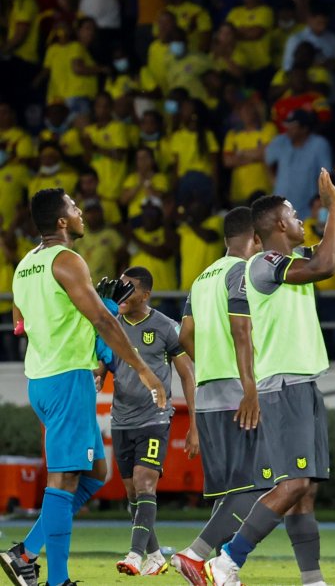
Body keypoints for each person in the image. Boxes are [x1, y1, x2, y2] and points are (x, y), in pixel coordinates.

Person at [205, 165, 335, 586]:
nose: (302, 220)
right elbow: (327, 267)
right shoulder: (262, 264)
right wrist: (333, 205)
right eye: (296, 215)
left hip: (302, 382)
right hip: (283, 385)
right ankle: (226, 559)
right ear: (279, 224)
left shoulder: (291, 260)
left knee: (305, 491)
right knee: (293, 482)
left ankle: (312, 580)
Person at [2, 188, 166, 586]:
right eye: (73, 207)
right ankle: (57, 581)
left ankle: (24, 551)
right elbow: (104, 323)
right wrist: (143, 369)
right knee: (65, 479)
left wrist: (93, 310)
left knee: (95, 472)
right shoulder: (68, 260)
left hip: (42, 377)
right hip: (68, 378)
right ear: (61, 221)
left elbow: (19, 324)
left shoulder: (24, 266)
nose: (79, 212)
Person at [170, 208, 274, 585]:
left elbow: (184, 336)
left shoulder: (201, 278)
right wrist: (249, 387)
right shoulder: (243, 271)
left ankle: (223, 573)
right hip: (239, 389)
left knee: (231, 490)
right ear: (256, 238)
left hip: (208, 389)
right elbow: (241, 329)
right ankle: (195, 554)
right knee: (263, 484)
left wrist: (210, 361)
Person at [94, 266, 196, 577]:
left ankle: (135, 555)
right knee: (132, 494)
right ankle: (154, 554)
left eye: (129, 288)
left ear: (146, 294)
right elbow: (103, 363)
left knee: (145, 483)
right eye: (120, 287)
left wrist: (194, 423)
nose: (122, 293)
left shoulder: (165, 327)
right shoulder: (111, 326)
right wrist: (98, 374)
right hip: (122, 419)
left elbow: (187, 374)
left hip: (155, 417)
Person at [265, 109, 332, 221]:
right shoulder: (281, 141)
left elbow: (326, 177)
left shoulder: (319, 144)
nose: (288, 129)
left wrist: (321, 209)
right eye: (288, 125)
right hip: (281, 211)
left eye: (293, 126)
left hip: (307, 211)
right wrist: (274, 181)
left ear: (304, 129)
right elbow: (267, 159)